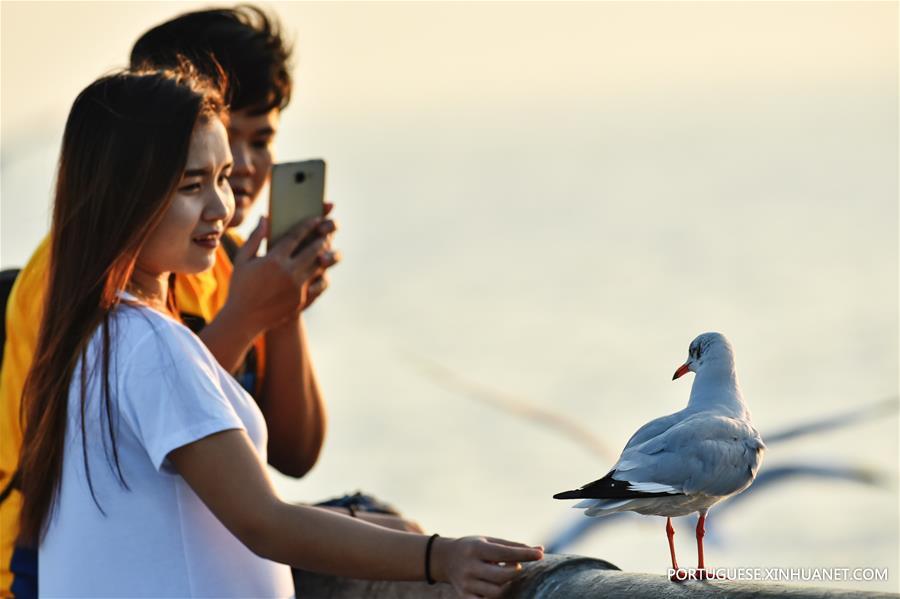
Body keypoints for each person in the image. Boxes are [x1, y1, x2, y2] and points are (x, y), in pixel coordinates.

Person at [18, 65, 542, 598]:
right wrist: (442, 557)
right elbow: (263, 522)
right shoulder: (150, 344)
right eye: (190, 186)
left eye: (222, 178)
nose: (221, 207)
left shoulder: (92, 339)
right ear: (122, 196)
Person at [0, 6, 401, 597]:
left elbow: (295, 453)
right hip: (43, 564)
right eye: (207, 157)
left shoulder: (226, 259)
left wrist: (280, 314)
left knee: (389, 524)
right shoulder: (69, 281)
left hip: (200, 534)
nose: (239, 171)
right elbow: (120, 432)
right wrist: (244, 318)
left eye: (256, 141)